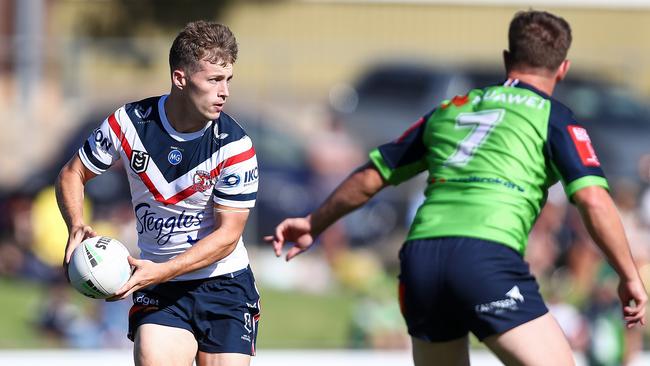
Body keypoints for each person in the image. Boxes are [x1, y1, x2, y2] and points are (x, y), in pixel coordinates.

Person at [266, 10, 647, 366]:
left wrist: (313, 223)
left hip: (421, 258)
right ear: (562, 69)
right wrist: (628, 275)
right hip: (485, 255)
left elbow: (371, 178)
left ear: (505, 59)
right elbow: (592, 200)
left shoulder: (449, 109)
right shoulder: (554, 117)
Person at [55, 21, 260, 366]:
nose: (224, 91)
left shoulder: (235, 146)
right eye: (214, 80)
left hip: (224, 286)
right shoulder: (129, 124)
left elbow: (228, 236)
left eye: (228, 81)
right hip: (161, 290)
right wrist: (76, 224)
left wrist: (161, 271)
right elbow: (73, 173)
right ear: (180, 79)